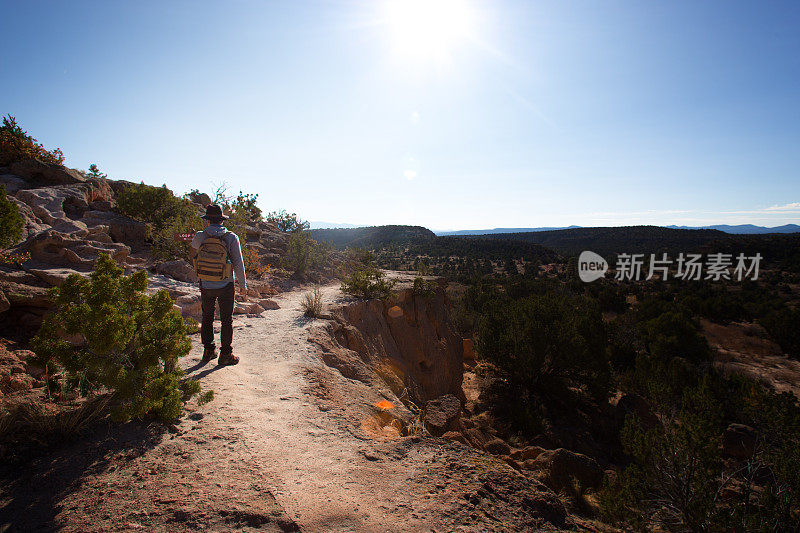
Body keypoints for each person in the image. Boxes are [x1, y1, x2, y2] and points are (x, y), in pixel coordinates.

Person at [190, 204, 246, 366]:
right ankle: (225, 355)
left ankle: (208, 351)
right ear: (222, 220)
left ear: (207, 220)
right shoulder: (231, 237)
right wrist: (242, 284)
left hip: (206, 283)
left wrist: (199, 271)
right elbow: (238, 262)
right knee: (226, 319)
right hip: (225, 284)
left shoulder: (200, 236)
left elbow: (193, 253)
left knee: (207, 317)